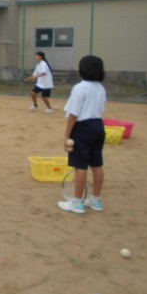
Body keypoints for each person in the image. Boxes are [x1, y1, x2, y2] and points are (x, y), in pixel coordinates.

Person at [58, 55, 107, 214]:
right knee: (97, 165)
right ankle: (96, 200)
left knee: (80, 167)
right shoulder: (100, 88)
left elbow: (73, 114)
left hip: (83, 128)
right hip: (98, 126)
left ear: (83, 69)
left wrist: (66, 135)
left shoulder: (80, 88)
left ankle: (77, 203)